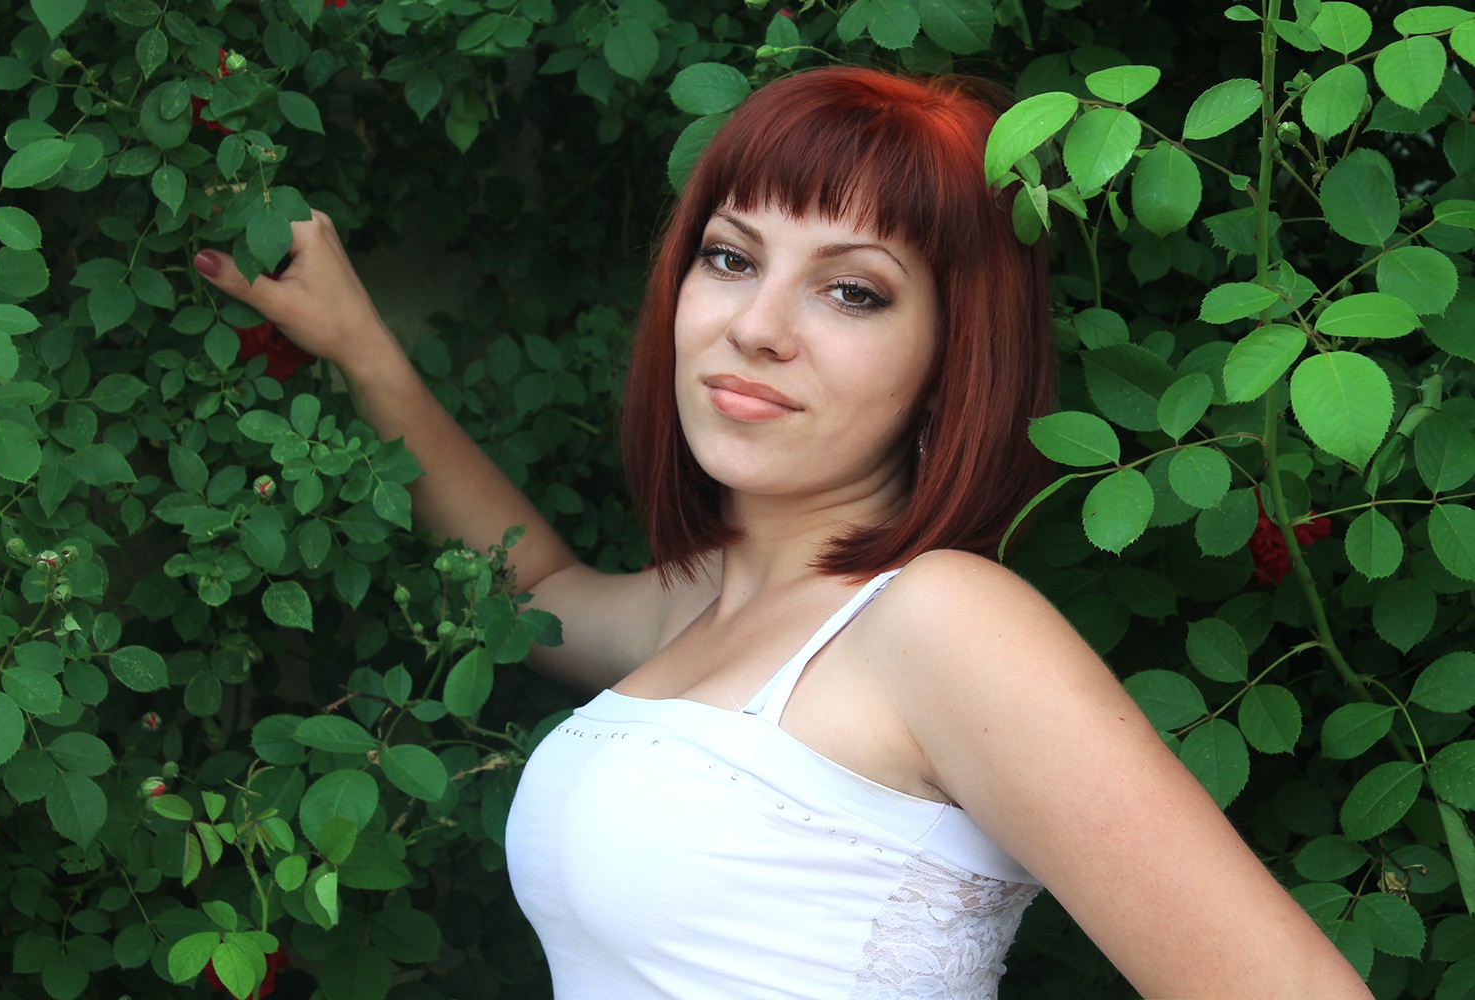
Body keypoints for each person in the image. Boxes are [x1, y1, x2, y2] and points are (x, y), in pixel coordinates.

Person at [193, 66, 1371, 999]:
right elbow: (534, 585)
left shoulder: (943, 622)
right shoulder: (706, 601)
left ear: (951, 356)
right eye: (730, 257)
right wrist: (362, 350)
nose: (755, 325)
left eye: (850, 289)